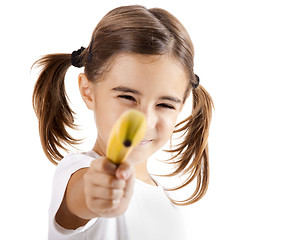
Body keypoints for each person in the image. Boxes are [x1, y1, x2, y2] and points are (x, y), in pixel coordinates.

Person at [32, 5, 213, 240]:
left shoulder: (166, 202)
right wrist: (94, 191)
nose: (144, 120)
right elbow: (84, 194)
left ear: (182, 105)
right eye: (127, 97)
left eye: (165, 105)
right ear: (88, 92)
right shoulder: (78, 172)